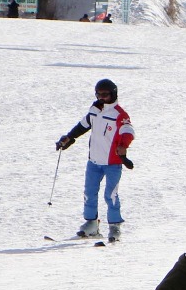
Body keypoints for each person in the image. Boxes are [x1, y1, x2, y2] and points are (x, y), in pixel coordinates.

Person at [55, 78, 134, 242]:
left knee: (110, 195)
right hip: (94, 161)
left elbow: (128, 131)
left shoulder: (120, 114)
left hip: (112, 163)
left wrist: (123, 146)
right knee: (89, 193)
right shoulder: (95, 110)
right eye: (98, 94)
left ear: (113, 94)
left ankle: (114, 227)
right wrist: (68, 138)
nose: (101, 98)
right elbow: (83, 125)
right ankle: (91, 224)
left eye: (105, 95)